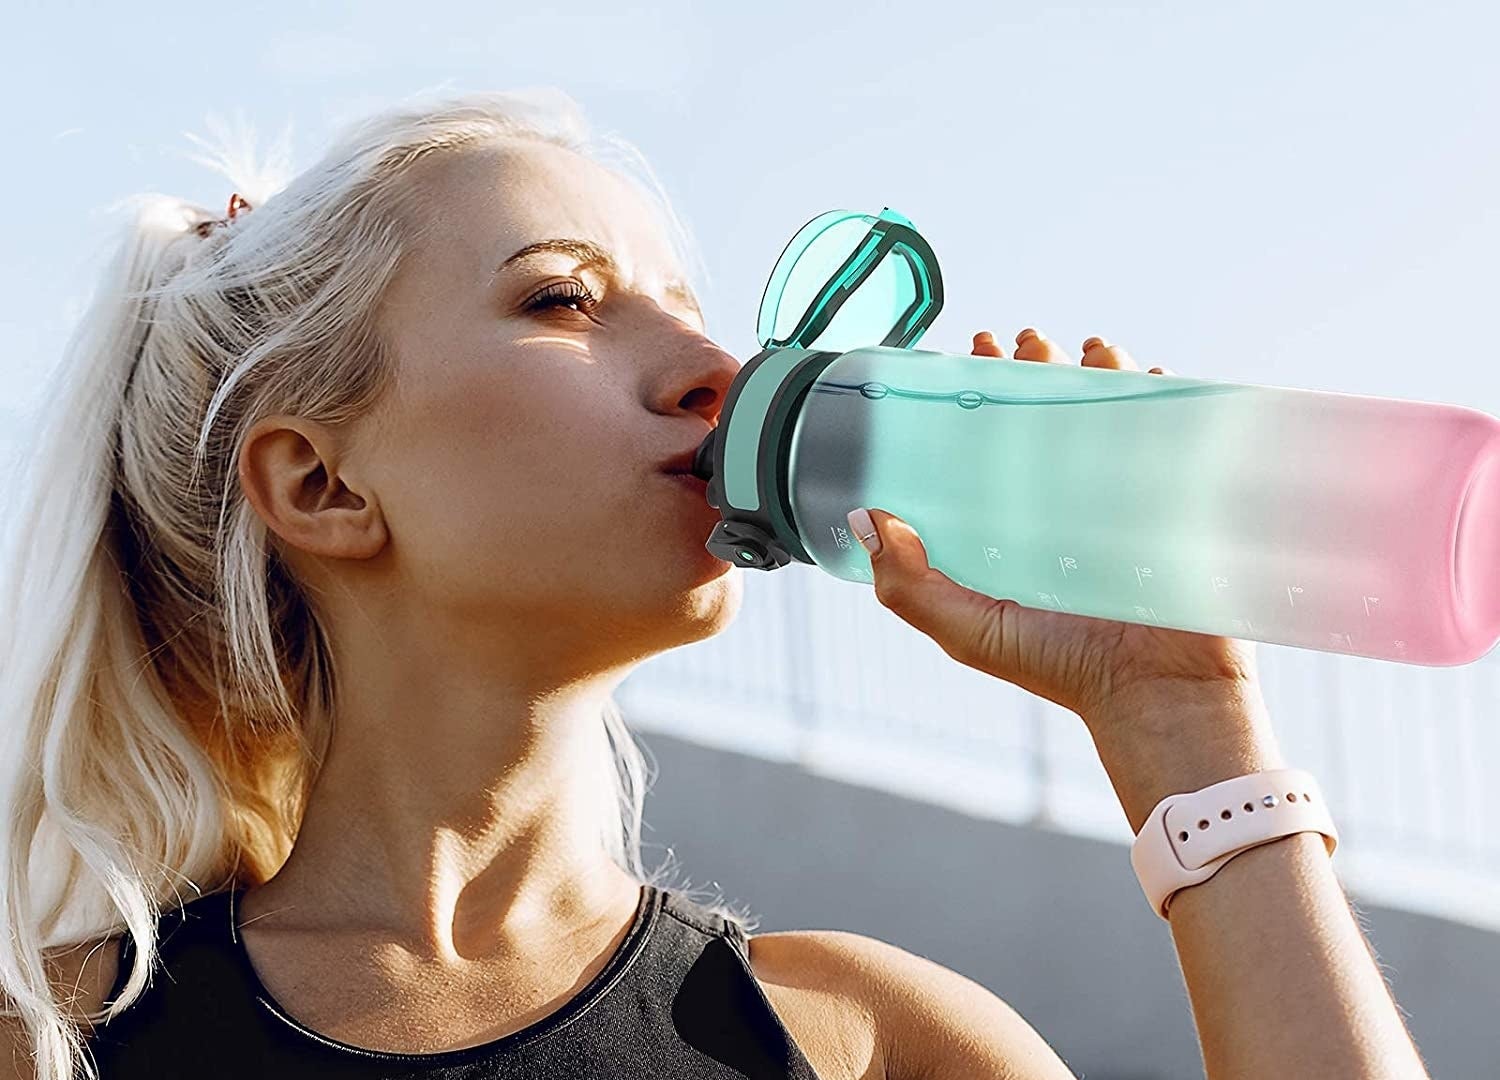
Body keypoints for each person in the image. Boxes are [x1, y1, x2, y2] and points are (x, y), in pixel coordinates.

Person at [0, 89, 1429, 1080]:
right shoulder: (55, 1041)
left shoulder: (862, 1039)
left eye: (693, 308)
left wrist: (1185, 720)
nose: (720, 370)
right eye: (565, 297)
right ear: (320, 483)